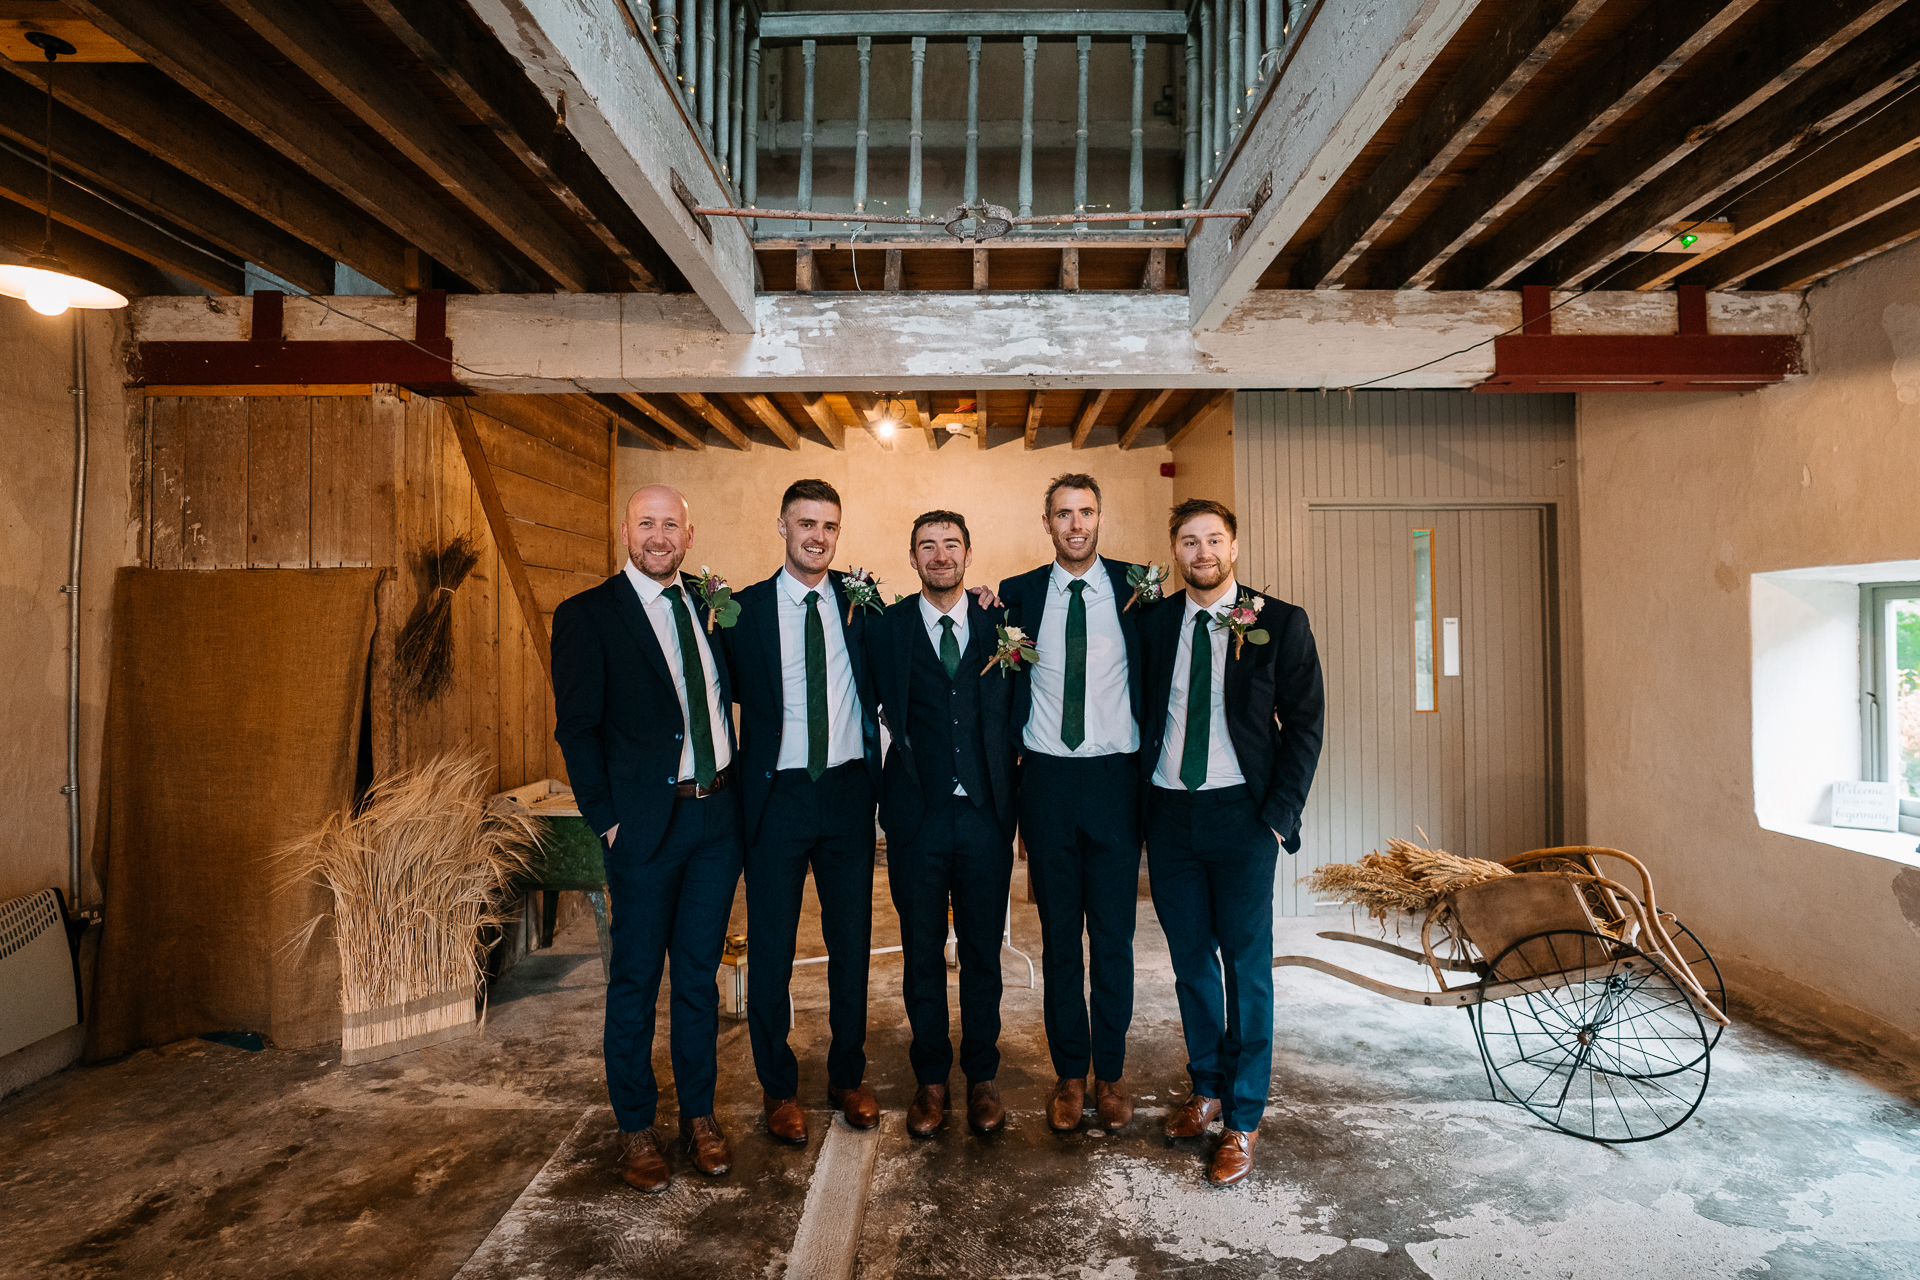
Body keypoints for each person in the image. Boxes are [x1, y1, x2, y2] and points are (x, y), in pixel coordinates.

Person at [550, 484, 743, 1194]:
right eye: (646, 524)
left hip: (718, 819)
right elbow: (577, 729)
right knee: (635, 981)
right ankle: (635, 1125)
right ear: (624, 531)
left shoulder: (711, 605)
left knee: (698, 979)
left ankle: (699, 1117)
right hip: (645, 826)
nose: (659, 536)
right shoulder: (588, 616)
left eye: (671, 525)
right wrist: (608, 818)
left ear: (688, 536)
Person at [1139, 498, 1324, 1188]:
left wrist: (1279, 815)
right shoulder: (1154, 623)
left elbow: (1305, 724)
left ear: (1234, 547)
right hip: (1169, 815)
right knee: (1190, 963)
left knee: (1247, 970)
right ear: (1176, 551)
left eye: (1214, 539)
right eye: (1189, 541)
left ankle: (1243, 1120)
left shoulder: (1279, 622)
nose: (1203, 552)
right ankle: (1207, 1087)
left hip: (1244, 819)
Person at [722, 479, 884, 1145]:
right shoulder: (742, 611)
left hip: (847, 793)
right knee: (772, 952)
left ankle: (847, 1077)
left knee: (851, 947)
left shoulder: (863, 604)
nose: (818, 536)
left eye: (828, 526)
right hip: (777, 797)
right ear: (782, 527)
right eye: (805, 523)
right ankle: (777, 1088)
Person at [997, 474, 1148, 1133]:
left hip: (1117, 781)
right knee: (1060, 941)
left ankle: (1111, 1075)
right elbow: (1001, 686)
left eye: (1086, 511)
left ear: (1100, 517)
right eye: (1064, 513)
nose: (1076, 523)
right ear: (1047, 521)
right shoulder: (1018, 596)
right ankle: (1069, 1075)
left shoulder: (1141, 590)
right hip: (1050, 784)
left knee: (1113, 939)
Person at [865, 510, 1019, 1138]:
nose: (940, 555)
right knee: (922, 954)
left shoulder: (1002, 625)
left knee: (982, 953)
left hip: (985, 817)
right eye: (927, 547)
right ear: (912, 559)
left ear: (968, 553)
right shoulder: (886, 627)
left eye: (951, 545)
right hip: (916, 819)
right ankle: (930, 1081)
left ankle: (981, 1076)